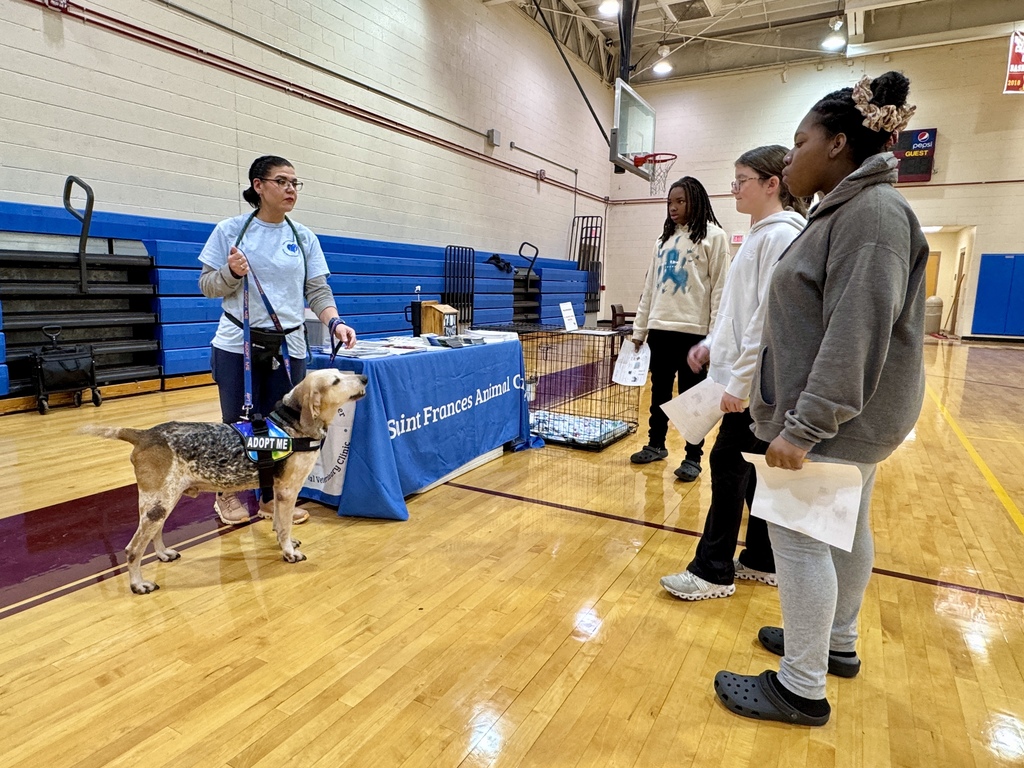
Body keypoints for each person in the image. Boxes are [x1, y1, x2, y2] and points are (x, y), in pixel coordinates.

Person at [713, 72, 928, 726]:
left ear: (837, 145)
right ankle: (834, 641)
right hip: (849, 417)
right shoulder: (850, 211)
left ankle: (800, 686)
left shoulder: (872, 215)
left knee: (801, 540)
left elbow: (854, 330)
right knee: (844, 533)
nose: (792, 154)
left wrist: (804, 426)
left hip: (833, 418)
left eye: (799, 141)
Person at [660, 145, 808, 601]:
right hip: (747, 378)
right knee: (754, 466)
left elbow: (766, 320)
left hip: (755, 384)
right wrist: (711, 345)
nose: (734, 188)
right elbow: (738, 311)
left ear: (771, 184)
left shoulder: (779, 236)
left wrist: (739, 383)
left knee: (727, 463)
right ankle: (762, 559)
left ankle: (712, 570)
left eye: (742, 179)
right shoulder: (762, 234)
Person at [199, 154, 357, 526]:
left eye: (295, 183)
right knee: (237, 422)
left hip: (289, 346)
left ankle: (270, 498)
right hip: (237, 342)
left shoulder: (303, 238)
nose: (290, 189)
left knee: (279, 424)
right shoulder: (229, 231)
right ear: (258, 186)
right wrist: (230, 273)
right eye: (282, 181)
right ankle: (227, 493)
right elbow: (207, 286)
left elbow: (317, 290)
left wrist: (335, 322)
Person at [628, 177, 729, 482]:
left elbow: (720, 291)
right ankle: (656, 444)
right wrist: (639, 328)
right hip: (660, 328)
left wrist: (713, 339)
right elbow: (649, 288)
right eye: (670, 202)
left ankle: (692, 456)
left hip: (693, 334)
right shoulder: (662, 241)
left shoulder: (715, 237)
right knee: (658, 392)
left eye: (680, 201)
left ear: (695, 201)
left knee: (691, 398)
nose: (673, 208)